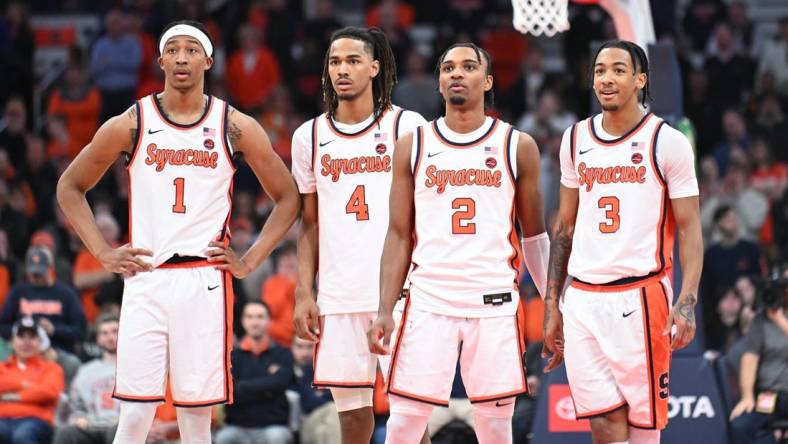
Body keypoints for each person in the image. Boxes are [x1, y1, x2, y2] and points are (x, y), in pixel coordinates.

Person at [56, 20, 300, 444]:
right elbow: (69, 186)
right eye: (174, 50)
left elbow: (288, 198)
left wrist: (249, 259)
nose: (182, 58)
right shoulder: (132, 122)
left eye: (192, 50)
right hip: (145, 276)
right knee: (134, 415)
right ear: (161, 59)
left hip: (203, 280)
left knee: (195, 418)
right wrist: (103, 251)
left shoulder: (234, 124)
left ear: (207, 60)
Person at [368, 42, 550, 444]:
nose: (457, 73)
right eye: (448, 67)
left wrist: (553, 303)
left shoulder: (517, 145)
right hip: (429, 298)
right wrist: (384, 308)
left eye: (468, 67)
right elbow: (398, 234)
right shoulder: (412, 145)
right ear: (438, 81)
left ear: (487, 81)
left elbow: (534, 236)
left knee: (495, 425)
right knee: (404, 422)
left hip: (494, 300)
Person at [542, 40, 704, 444]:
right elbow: (564, 229)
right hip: (582, 299)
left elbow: (689, 229)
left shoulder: (666, 142)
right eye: (599, 71)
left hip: (640, 297)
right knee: (604, 427)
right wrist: (552, 303)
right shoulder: (575, 139)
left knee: (643, 428)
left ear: (640, 79)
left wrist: (687, 301)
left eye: (617, 69)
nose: (606, 78)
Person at [290, 26, 426, 444]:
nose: (342, 70)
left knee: (410, 419)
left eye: (352, 60)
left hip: (401, 293)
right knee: (351, 420)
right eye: (334, 62)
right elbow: (309, 223)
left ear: (374, 66)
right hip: (339, 293)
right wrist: (303, 292)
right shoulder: (309, 136)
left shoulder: (408, 125)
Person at [215, 301, 294, 444]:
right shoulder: (231, 356)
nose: (255, 322)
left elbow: (280, 383)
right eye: (250, 317)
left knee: (277, 437)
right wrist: (268, 386)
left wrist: (243, 386)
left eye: (259, 317)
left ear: (269, 320)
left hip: (274, 426)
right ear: (242, 321)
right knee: (223, 438)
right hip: (238, 426)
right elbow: (230, 390)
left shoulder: (283, 353)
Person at [729, 276, 788, 444]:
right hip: (770, 396)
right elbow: (749, 359)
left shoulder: (777, 319)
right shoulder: (761, 320)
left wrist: (780, 320)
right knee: (741, 425)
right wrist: (747, 396)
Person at [0, 245, 86, 355]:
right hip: (22, 349)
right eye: (33, 273)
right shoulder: (18, 292)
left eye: (40, 273)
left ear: (51, 268)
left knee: (72, 364)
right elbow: (2, 326)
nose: (36, 277)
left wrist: (55, 329)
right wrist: (22, 329)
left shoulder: (67, 294)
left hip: (56, 349)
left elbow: (80, 331)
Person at [53, 315, 120, 444]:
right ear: (98, 339)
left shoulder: (133, 368)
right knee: (65, 433)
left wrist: (125, 419)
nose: (110, 337)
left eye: (114, 331)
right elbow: (74, 404)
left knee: (117, 432)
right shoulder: (85, 370)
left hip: (120, 425)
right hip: (91, 426)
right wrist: (78, 418)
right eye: (104, 333)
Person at [0, 317, 64, 444]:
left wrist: (12, 396)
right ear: (12, 342)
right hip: (2, 418)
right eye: (21, 337)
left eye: (32, 337)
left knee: (22, 436)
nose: (26, 342)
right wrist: (24, 385)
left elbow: (49, 392)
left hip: (36, 421)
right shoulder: (2, 367)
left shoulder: (52, 368)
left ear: (40, 343)